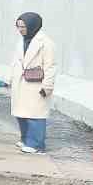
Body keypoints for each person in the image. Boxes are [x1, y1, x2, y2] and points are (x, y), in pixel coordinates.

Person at [9, 12, 56, 154]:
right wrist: (10, 78)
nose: (20, 30)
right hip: (21, 82)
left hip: (37, 84)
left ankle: (36, 144)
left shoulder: (46, 43)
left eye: (23, 27)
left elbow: (51, 66)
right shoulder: (21, 41)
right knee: (21, 113)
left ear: (32, 26)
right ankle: (25, 139)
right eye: (18, 26)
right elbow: (15, 62)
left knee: (35, 115)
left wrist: (47, 86)